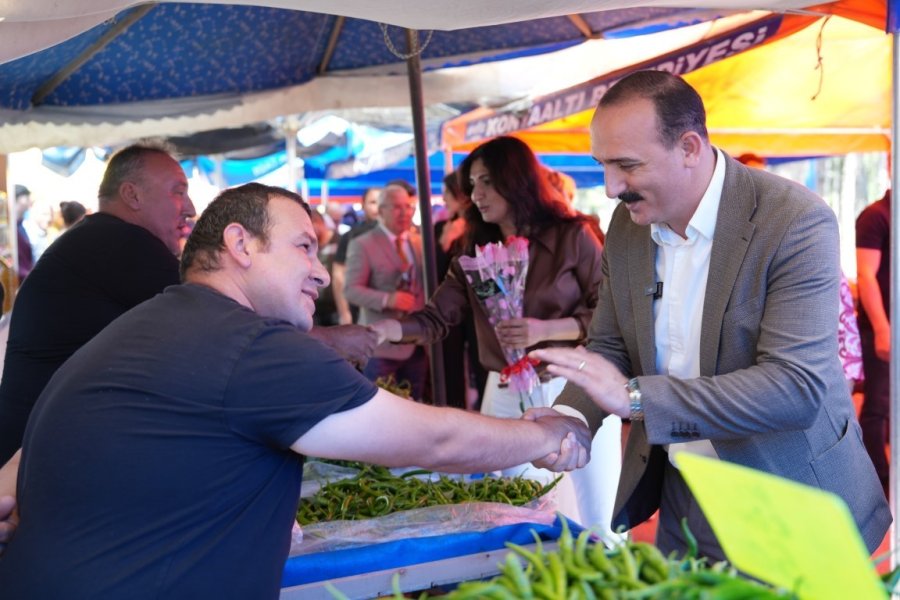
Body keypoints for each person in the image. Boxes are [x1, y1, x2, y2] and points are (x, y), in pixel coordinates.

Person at [0, 183, 591, 596]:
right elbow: (432, 442)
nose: (320, 270)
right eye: (303, 246)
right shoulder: (250, 345)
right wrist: (543, 434)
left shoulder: (146, 327)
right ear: (240, 244)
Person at [530, 70, 891, 560]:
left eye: (627, 165)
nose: (611, 187)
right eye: (602, 165)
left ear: (689, 148)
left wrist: (636, 399)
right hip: (685, 493)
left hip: (791, 494)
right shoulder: (626, 227)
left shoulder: (794, 219)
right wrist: (571, 418)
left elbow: (795, 387)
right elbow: (611, 344)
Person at [373, 136, 621, 532]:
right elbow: (435, 318)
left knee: (601, 517)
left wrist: (547, 329)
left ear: (516, 179)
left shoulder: (572, 236)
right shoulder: (473, 251)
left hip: (575, 385)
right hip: (506, 391)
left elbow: (612, 313)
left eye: (487, 181)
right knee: (523, 513)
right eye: (473, 184)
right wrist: (383, 330)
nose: (477, 195)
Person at [0, 143, 196, 464]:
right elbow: (216, 320)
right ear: (132, 195)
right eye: (178, 192)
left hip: (40, 449)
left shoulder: (95, 238)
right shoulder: (122, 243)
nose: (190, 207)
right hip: (38, 463)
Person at [345, 183, 429, 401]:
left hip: (416, 342)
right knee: (381, 406)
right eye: (397, 207)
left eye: (408, 206)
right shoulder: (363, 244)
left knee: (415, 406)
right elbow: (351, 290)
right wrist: (387, 299)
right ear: (381, 211)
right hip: (381, 347)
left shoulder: (419, 242)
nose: (404, 213)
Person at [435, 171, 487, 409]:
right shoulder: (440, 228)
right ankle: (455, 411)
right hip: (451, 310)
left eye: (446, 193)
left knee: (482, 363)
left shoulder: (483, 227)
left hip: (480, 309)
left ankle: (485, 408)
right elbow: (435, 275)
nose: (443, 199)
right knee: (450, 366)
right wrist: (444, 243)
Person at [855, 188, 891, 496]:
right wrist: (882, 328)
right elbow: (866, 276)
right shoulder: (876, 216)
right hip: (881, 328)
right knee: (878, 405)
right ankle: (878, 480)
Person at [332, 187, 381, 325]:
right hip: (359, 311)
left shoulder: (401, 235)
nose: (377, 207)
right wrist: (344, 312)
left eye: (381, 202)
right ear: (363, 205)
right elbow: (339, 276)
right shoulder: (350, 236)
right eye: (372, 202)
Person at [13, 184, 34, 282]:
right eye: (27, 198)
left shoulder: (21, 225)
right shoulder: (12, 227)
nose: (29, 202)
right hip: (20, 280)